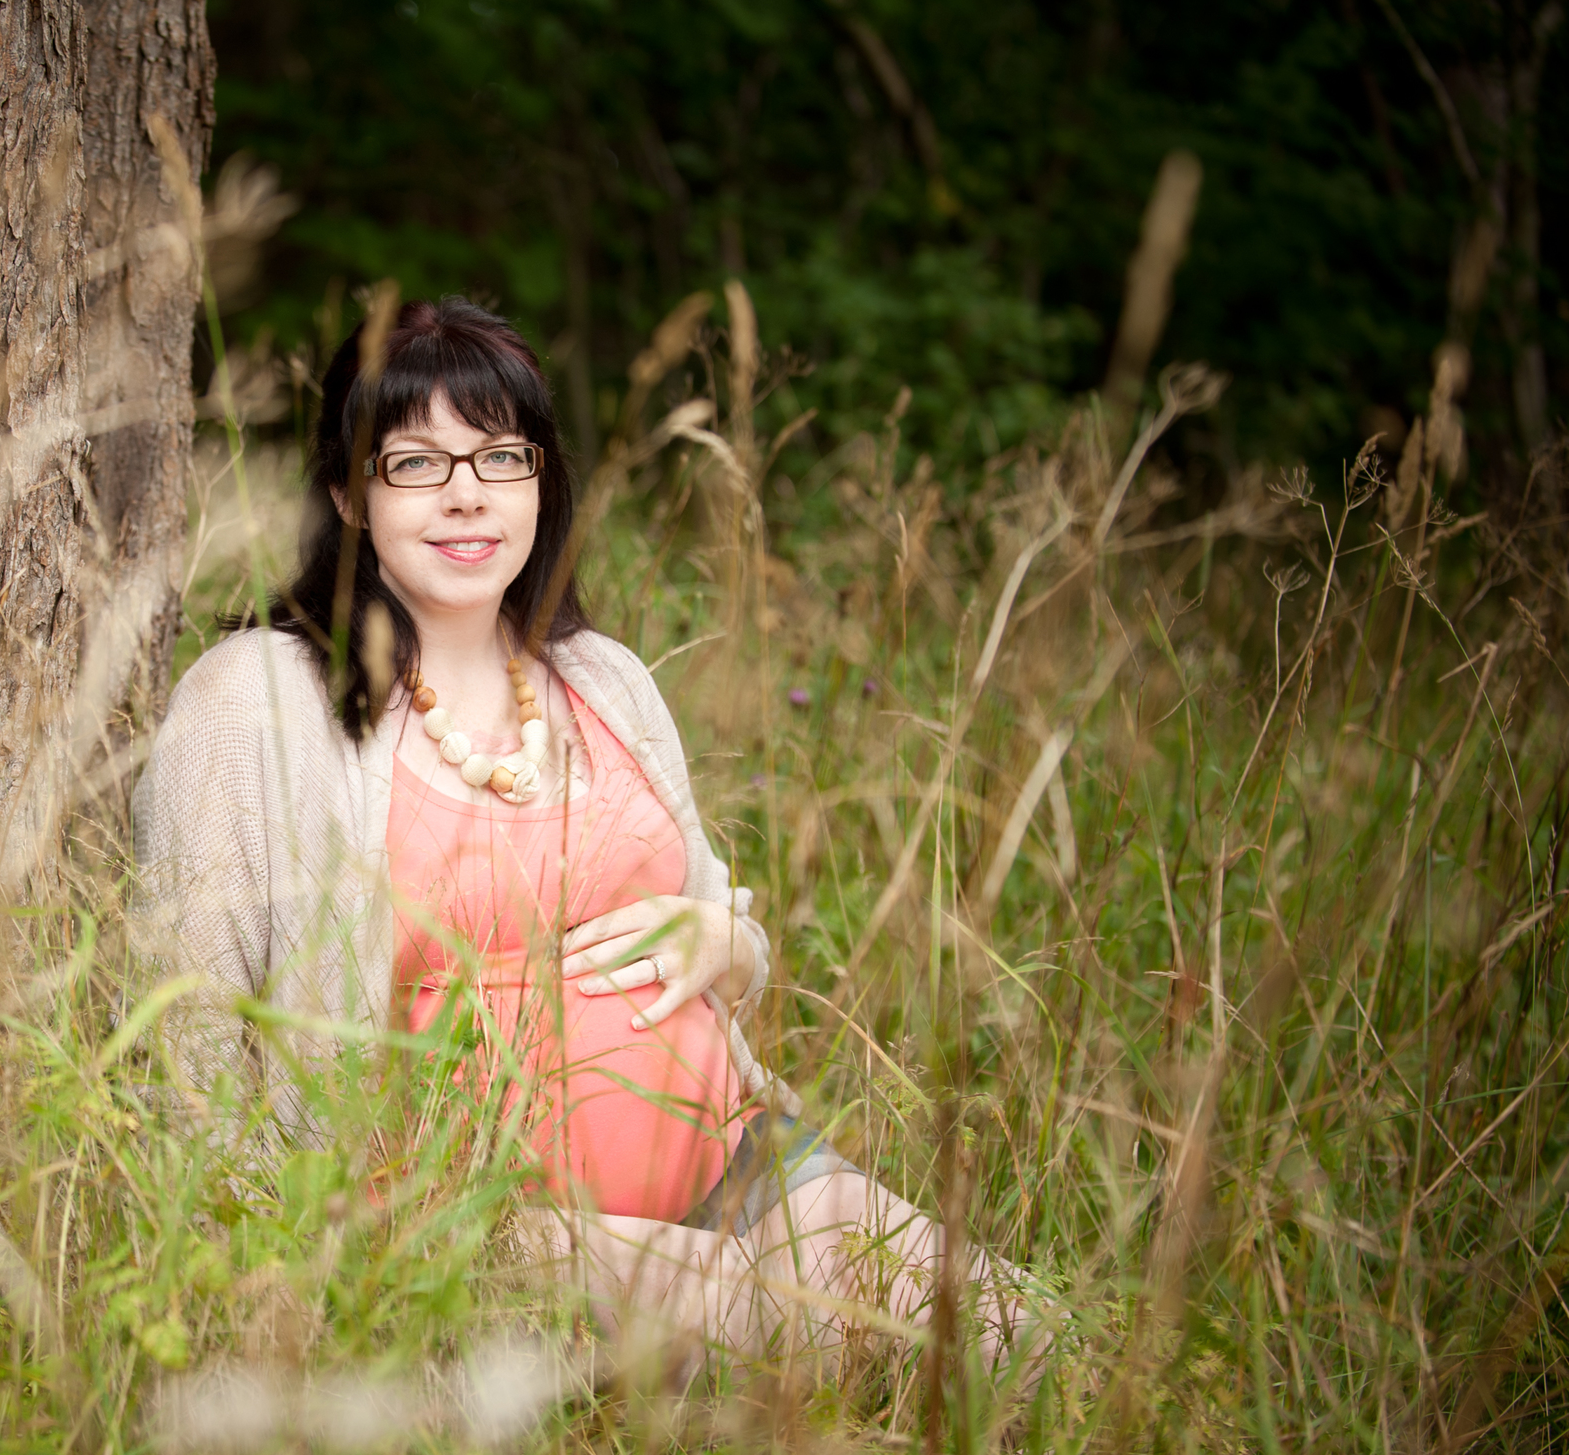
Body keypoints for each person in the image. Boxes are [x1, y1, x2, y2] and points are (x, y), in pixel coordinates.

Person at [132, 297, 1029, 1375]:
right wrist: (278, 1270)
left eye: (500, 456)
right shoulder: (257, 701)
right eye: (415, 462)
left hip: (737, 1157)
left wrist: (727, 945)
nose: (467, 492)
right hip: (469, 1226)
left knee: (1008, 1327)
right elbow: (184, 1027)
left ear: (538, 480)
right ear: (347, 493)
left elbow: (720, 920)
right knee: (863, 1342)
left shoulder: (603, 676)